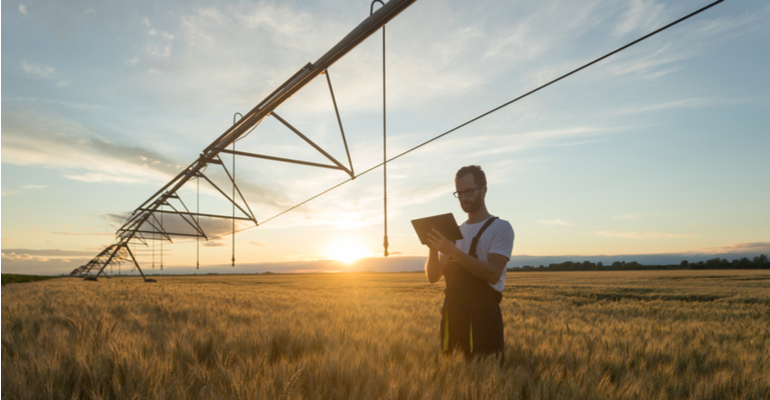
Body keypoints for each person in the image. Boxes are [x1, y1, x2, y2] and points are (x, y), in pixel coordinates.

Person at [424, 165, 515, 360]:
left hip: (482, 317)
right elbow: (433, 277)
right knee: (451, 372)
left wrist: (454, 251)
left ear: (484, 189)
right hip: (452, 316)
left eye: (469, 192)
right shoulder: (453, 232)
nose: (464, 198)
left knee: (485, 372)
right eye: (459, 193)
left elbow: (493, 273)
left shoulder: (500, 228)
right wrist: (432, 248)